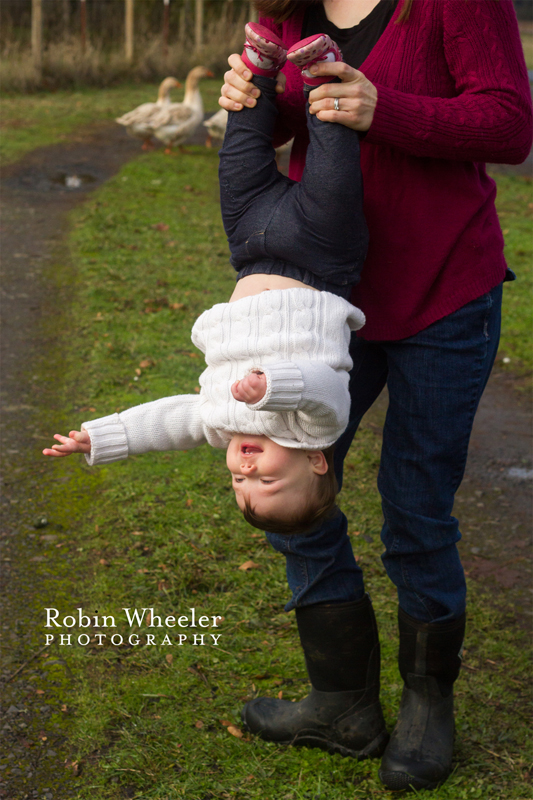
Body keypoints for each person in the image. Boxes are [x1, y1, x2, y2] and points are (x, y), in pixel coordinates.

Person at [219, 0, 533, 792]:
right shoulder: (288, 7)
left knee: (416, 508)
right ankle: (342, 700)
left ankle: (427, 701)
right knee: (279, 481)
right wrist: (250, 95)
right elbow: (297, 113)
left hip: (441, 290)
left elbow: (507, 124)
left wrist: (380, 108)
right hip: (319, 302)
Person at [43, 25, 370, 538]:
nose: (246, 474)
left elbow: (171, 421)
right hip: (321, 258)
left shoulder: (221, 421)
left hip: (249, 248)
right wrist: (271, 388)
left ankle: (256, 69)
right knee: (334, 165)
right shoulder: (315, 428)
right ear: (316, 465)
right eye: (267, 483)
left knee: (239, 161)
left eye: (240, 488)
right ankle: (320, 73)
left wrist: (101, 439)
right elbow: (323, 388)